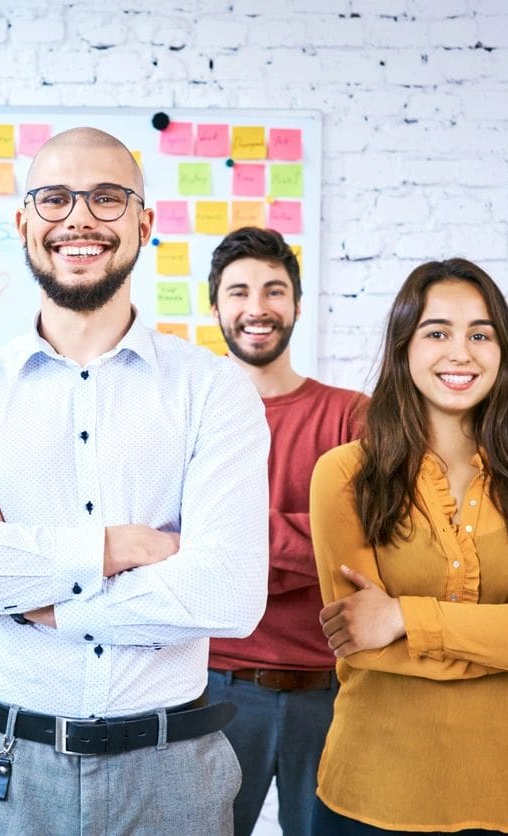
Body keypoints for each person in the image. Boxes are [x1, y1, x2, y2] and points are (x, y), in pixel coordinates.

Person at [0, 127, 270, 835]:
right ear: (24, 223)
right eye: (56, 198)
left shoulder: (213, 389)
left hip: (170, 775)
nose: (80, 219)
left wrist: (46, 601)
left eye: (106, 198)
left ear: (144, 224)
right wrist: (115, 547)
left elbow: (229, 592)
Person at [309, 258, 508, 835]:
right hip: (371, 793)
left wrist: (402, 616)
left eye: (480, 334)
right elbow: (361, 642)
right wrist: (507, 631)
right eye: (437, 332)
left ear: (502, 351)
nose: (460, 353)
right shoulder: (344, 474)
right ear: (404, 346)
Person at [202, 227, 365, 836]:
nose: (257, 308)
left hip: (330, 690)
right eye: (238, 291)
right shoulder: (187, 414)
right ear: (214, 306)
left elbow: (361, 546)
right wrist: (304, 545)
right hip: (213, 688)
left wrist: (232, 543)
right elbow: (170, 545)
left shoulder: (353, 415)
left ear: (297, 304)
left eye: (274, 291)